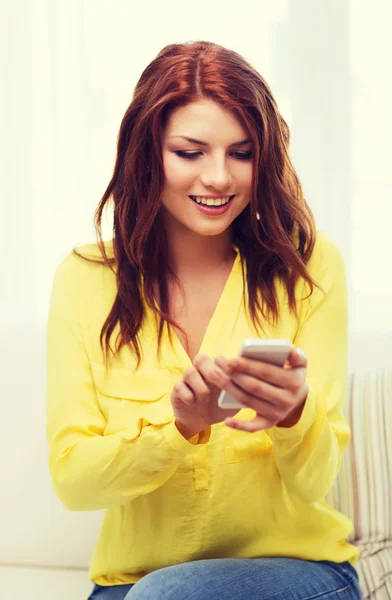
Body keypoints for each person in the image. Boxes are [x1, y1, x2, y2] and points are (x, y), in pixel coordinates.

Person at [46, 41, 362, 600]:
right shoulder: (84, 277)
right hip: (132, 584)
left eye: (241, 153)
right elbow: (74, 480)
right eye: (190, 152)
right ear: (146, 154)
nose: (219, 177)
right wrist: (179, 430)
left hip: (296, 572)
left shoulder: (309, 266)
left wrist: (294, 414)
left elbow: (318, 481)